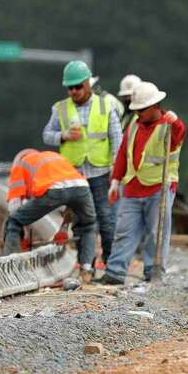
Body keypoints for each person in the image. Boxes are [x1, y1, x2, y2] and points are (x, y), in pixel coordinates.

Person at [98, 82, 186, 285]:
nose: (138, 113)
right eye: (136, 110)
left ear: (155, 106)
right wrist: (115, 181)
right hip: (133, 188)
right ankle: (115, 272)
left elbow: (180, 135)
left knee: (156, 232)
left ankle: (153, 271)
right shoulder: (134, 125)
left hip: (160, 187)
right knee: (124, 231)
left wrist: (176, 123)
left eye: (142, 110)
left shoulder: (168, 125)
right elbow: (122, 154)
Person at [43, 60, 122, 265]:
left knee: (105, 219)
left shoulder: (105, 105)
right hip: (73, 176)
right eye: (70, 88)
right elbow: (46, 135)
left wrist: (117, 168)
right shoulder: (60, 109)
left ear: (88, 83)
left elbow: (117, 138)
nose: (74, 91)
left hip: (100, 172)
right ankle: (86, 263)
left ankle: (110, 262)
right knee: (80, 221)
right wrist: (63, 135)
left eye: (78, 86)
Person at [2, 149, 98, 282]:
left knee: (13, 222)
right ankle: (87, 269)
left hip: (53, 190)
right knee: (88, 226)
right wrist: (64, 226)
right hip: (82, 188)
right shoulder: (54, 156)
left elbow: (15, 207)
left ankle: (10, 269)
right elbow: (70, 193)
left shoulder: (21, 164)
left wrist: (21, 232)